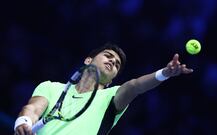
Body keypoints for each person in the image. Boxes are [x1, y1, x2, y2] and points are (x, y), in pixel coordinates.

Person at [14, 42, 193, 135]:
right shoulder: (51, 87)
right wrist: (25, 122)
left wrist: (165, 73)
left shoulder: (111, 98)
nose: (112, 62)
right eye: (108, 56)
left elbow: (135, 86)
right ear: (88, 60)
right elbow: (33, 108)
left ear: (112, 79)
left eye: (116, 65)